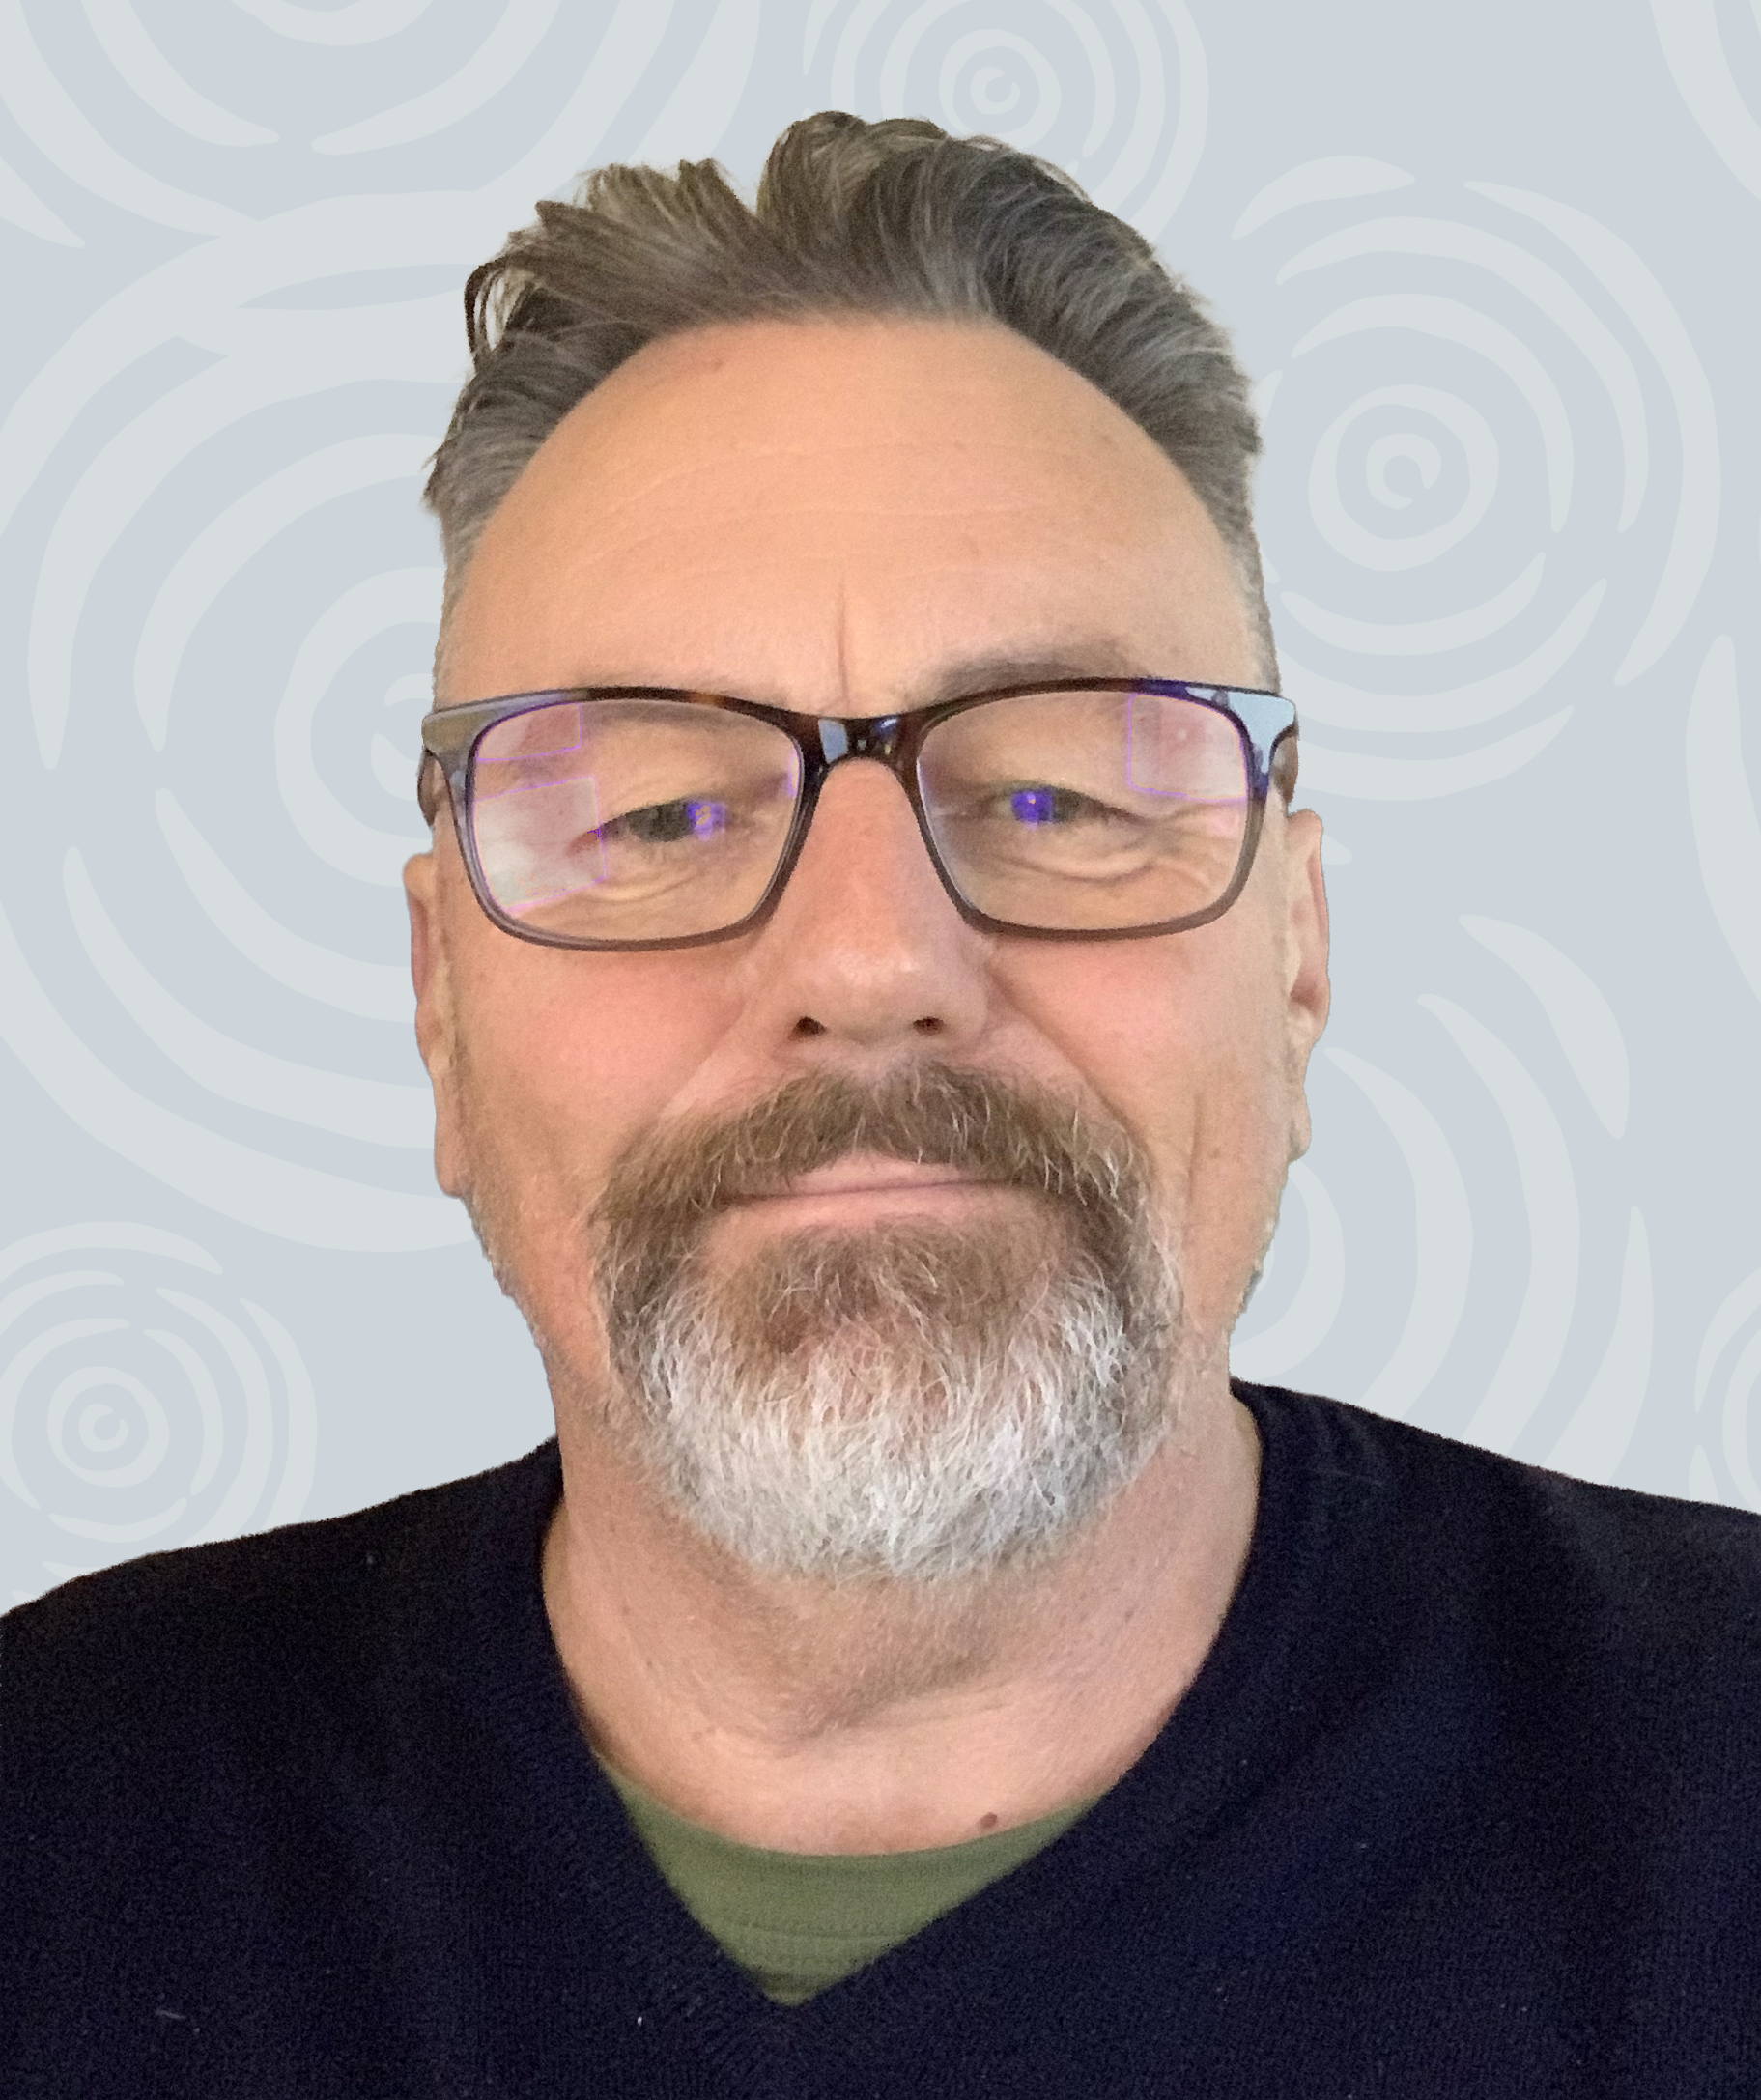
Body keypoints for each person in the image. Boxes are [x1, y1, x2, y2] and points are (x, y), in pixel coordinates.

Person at [3, 113, 1757, 2099]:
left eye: (1054, 796)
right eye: (656, 815)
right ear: (438, 1007)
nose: (865, 958)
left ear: (1293, 955)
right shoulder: (57, 1831)